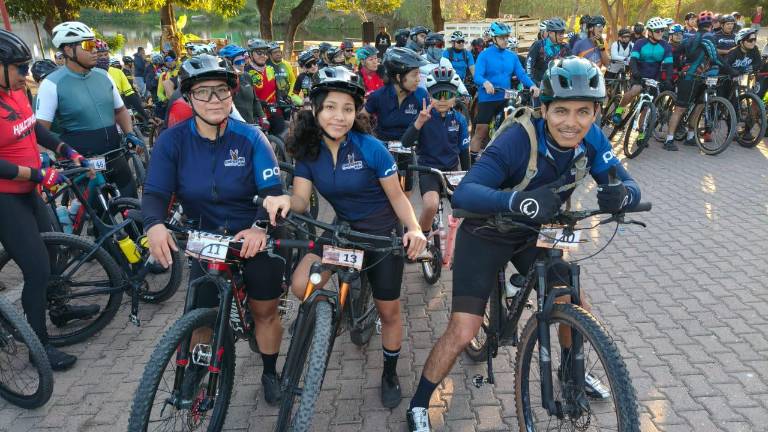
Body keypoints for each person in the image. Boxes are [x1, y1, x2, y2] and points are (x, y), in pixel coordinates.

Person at [405, 57, 642, 432]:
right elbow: (466, 194)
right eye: (561, 110)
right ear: (544, 108)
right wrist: (518, 201)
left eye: (584, 111)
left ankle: (571, 373)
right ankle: (419, 403)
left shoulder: (592, 138)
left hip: (536, 231)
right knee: (464, 329)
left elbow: (629, 184)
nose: (572, 122)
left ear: (596, 111)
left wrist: (621, 195)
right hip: (486, 233)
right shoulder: (519, 138)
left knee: (572, 299)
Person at [262, 66, 427, 409]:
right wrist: (281, 199)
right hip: (343, 230)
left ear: (357, 112)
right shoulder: (308, 152)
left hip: (381, 236)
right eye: (331, 107)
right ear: (316, 110)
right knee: (299, 284)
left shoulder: (371, 148)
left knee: (389, 313)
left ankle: (390, 373)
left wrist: (413, 229)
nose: (339, 116)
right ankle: (329, 316)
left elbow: (398, 197)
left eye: (348, 109)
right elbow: (299, 201)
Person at [143, 54, 286, 404]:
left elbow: (272, 194)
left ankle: (270, 371)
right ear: (188, 97)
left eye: (221, 91)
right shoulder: (172, 141)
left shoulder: (251, 138)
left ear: (231, 94)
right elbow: (156, 192)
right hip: (205, 236)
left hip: (251, 233)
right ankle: (196, 367)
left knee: (264, 310)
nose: (214, 101)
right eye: (203, 93)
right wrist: (154, 225)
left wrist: (260, 227)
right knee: (199, 315)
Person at [0, 29, 96, 371]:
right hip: (5, 199)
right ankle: (37, 347)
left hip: (29, 192)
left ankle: (60, 309)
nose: (25, 74)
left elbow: (34, 129)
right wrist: (38, 175)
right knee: (37, 269)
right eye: (18, 67)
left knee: (55, 252)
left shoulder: (16, 91)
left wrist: (65, 149)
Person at [36, 21, 143, 198]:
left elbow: (120, 110)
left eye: (95, 44)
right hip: (82, 162)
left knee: (133, 205)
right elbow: (40, 128)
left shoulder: (104, 75)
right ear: (69, 50)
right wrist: (42, 157)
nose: (95, 50)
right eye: (88, 45)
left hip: (114, 154)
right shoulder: (51, 83)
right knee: (100, 218)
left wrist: (129, 132)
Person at [401, 66, 469, 239]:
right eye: (437, 95)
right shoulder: (423, 116)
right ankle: (420, 237)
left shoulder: (460, 120)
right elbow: (405, 142)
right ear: (429, 96)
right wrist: (419, 123)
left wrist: (469, 175)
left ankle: (465, 242)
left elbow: (463, 151)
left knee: (468, 207)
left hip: (452, 171)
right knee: (431, 205)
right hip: (428, 170)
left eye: (448, 95)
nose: (443, 100)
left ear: (456, 97)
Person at [362, 47, 428, 195]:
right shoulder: (379, 96)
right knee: (380, 192)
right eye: (415, 75)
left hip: (407, 148)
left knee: (406, 193)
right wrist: (368, 140)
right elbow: (361, 118)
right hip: (382, 148)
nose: (419, 79)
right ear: (398, 77)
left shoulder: (421, 95)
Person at [472, 21, 540, 157]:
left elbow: (521, 74)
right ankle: (472, 162)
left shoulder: (512, 56)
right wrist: (485, 83)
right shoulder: (484, 55)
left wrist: (532, 85)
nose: (505, 40)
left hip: (506, 97)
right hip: (488, 97)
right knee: (481, 131)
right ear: (494, 38)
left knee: (511, 128)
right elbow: (477, 76)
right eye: (502, 37)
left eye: (506, 37)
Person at [664, 10, 727, 149]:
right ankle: (672, 139)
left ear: (698, 24)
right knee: (685, 108)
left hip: (693, 76)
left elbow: (676, 53)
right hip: (695, 76)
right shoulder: (710, 37)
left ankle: (677, 138)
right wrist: (732, 71)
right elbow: (716, 58)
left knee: (694, 106)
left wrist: (679, 66)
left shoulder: (689, 38)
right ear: (710, 25)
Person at [611, 16, 672, 134]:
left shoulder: (665, 46)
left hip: (654, 76)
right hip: (639, 73)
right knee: (635, 90)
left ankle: (641, 134)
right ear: (650, 32)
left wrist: (668, 79)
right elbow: (633, 60)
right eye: (657, 31)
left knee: (647, 106)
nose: (660, 33)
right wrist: (635, 72)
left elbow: (669, 65)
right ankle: (618, 111)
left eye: (662, 30)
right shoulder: (640, 43)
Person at [219, 44, 267, 126]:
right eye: (238, 62)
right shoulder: (222, 82)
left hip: (251, 124)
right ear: (228, 63)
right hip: (232, 127)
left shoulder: (246, 76)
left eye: (243, 60)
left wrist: (263, 118)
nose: (242, 64)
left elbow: (255, 100)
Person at [245, 38, 286, 136]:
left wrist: (281, 98)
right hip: (257, 115)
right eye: (259, 52)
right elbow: (247, 97)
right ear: (250, 54)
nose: (263, 56)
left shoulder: (270, 69)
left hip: (274, 110)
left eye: (265, 53)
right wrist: (261, 103)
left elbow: (276, 88)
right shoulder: (246, 73)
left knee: (282, 136)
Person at [526, 18, 571, 86]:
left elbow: (571, 66)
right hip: (540, 86)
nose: (562, 36)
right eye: (559, 33)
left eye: (563, 32)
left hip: (560, 86)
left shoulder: (565, 47)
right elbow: (528, 65)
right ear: (550, 33)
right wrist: (532, 84)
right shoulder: (538, 45)